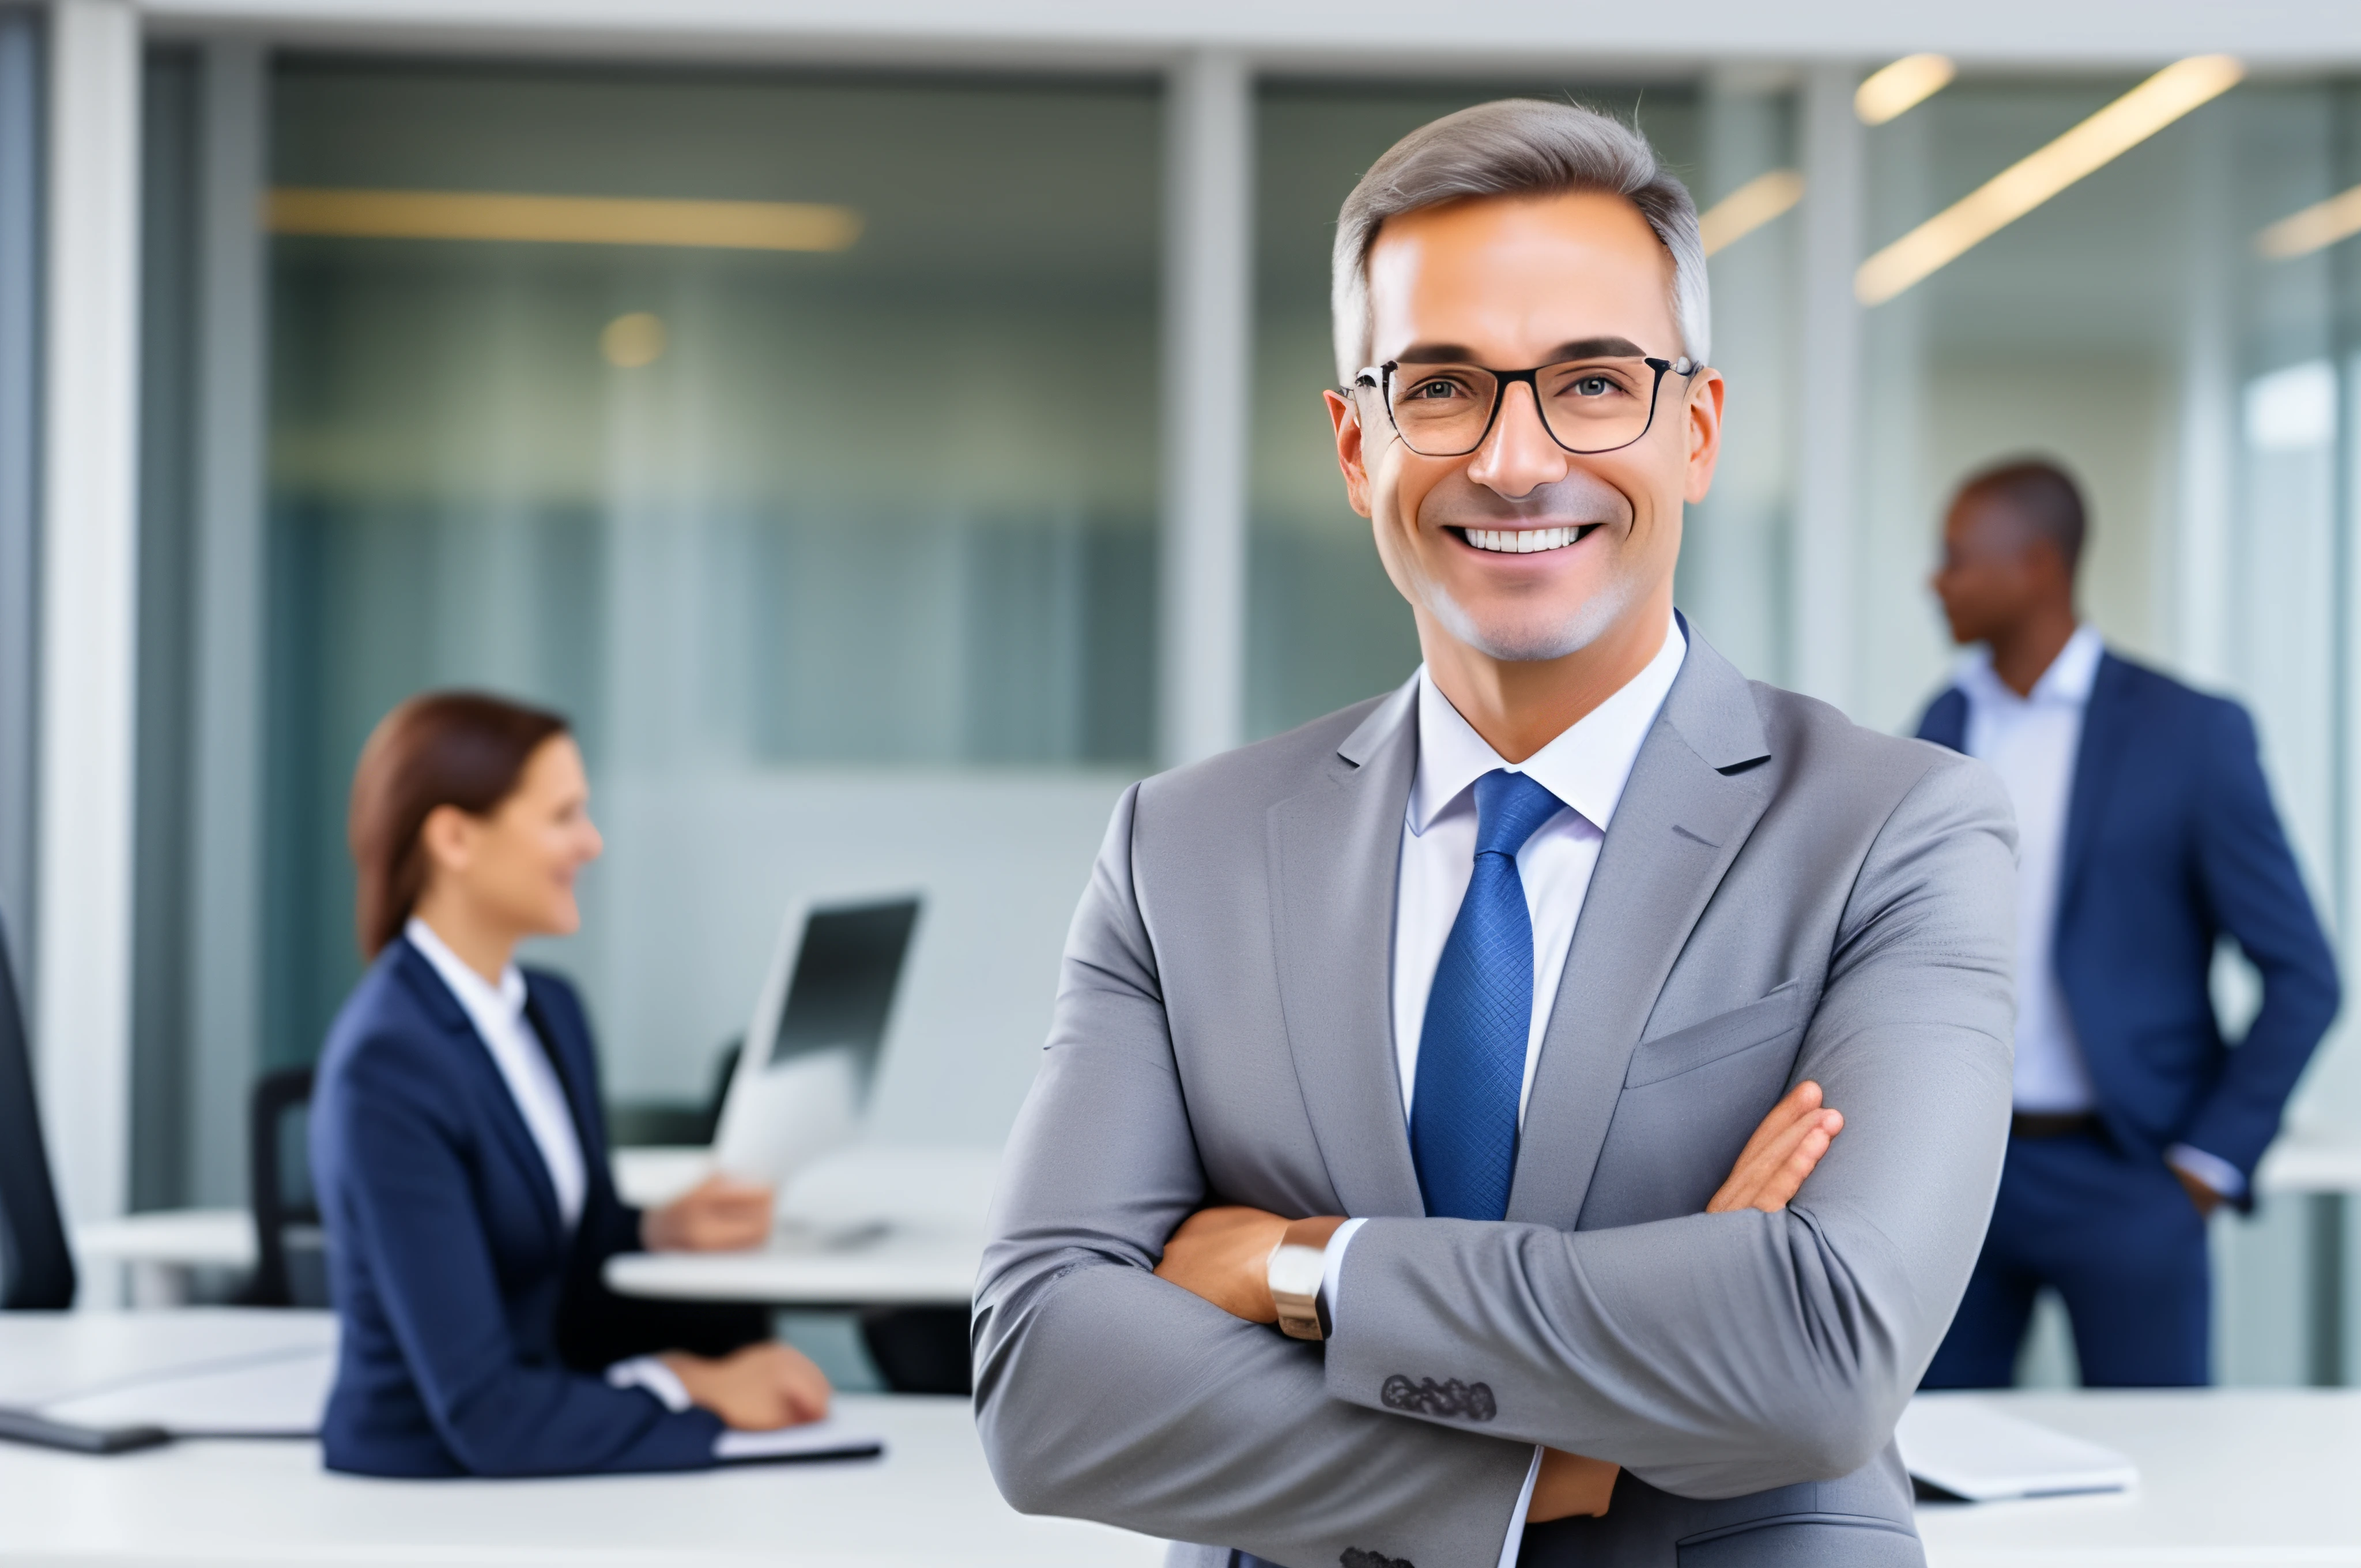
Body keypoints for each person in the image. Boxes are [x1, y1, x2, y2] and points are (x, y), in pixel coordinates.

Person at [974, 100, 2013, 1568]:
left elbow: (1823, 1347)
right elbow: (1042, 1383)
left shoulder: (1890, 830)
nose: (1517, 460)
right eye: (1442, 386)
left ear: (1694, 429)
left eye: (1592, 382)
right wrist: (1553, 1462)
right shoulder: (1182, 848)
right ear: (1355, 446)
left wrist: (1300, 1264)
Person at [311, 691, 833, 1477]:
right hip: (435, 1487)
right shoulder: (388, 1066)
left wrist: (654, 1231)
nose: (590, 843)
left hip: (542, 1445)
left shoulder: (549, 1013)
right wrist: (688, 1385)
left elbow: (545, 1255)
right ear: (454, 837)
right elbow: (483, 1411)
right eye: (562, 817)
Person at [1915, 459, 2340, 1389]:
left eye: (1957, 559)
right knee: (1933, 1468)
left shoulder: (2191, 733)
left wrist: (2206, 1165)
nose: (1934, 580)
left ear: (2036, 565)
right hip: (1962, 1182)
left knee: (2166, 1473)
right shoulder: (1939, 727)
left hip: (2133, 1176)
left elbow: (2305, 975)